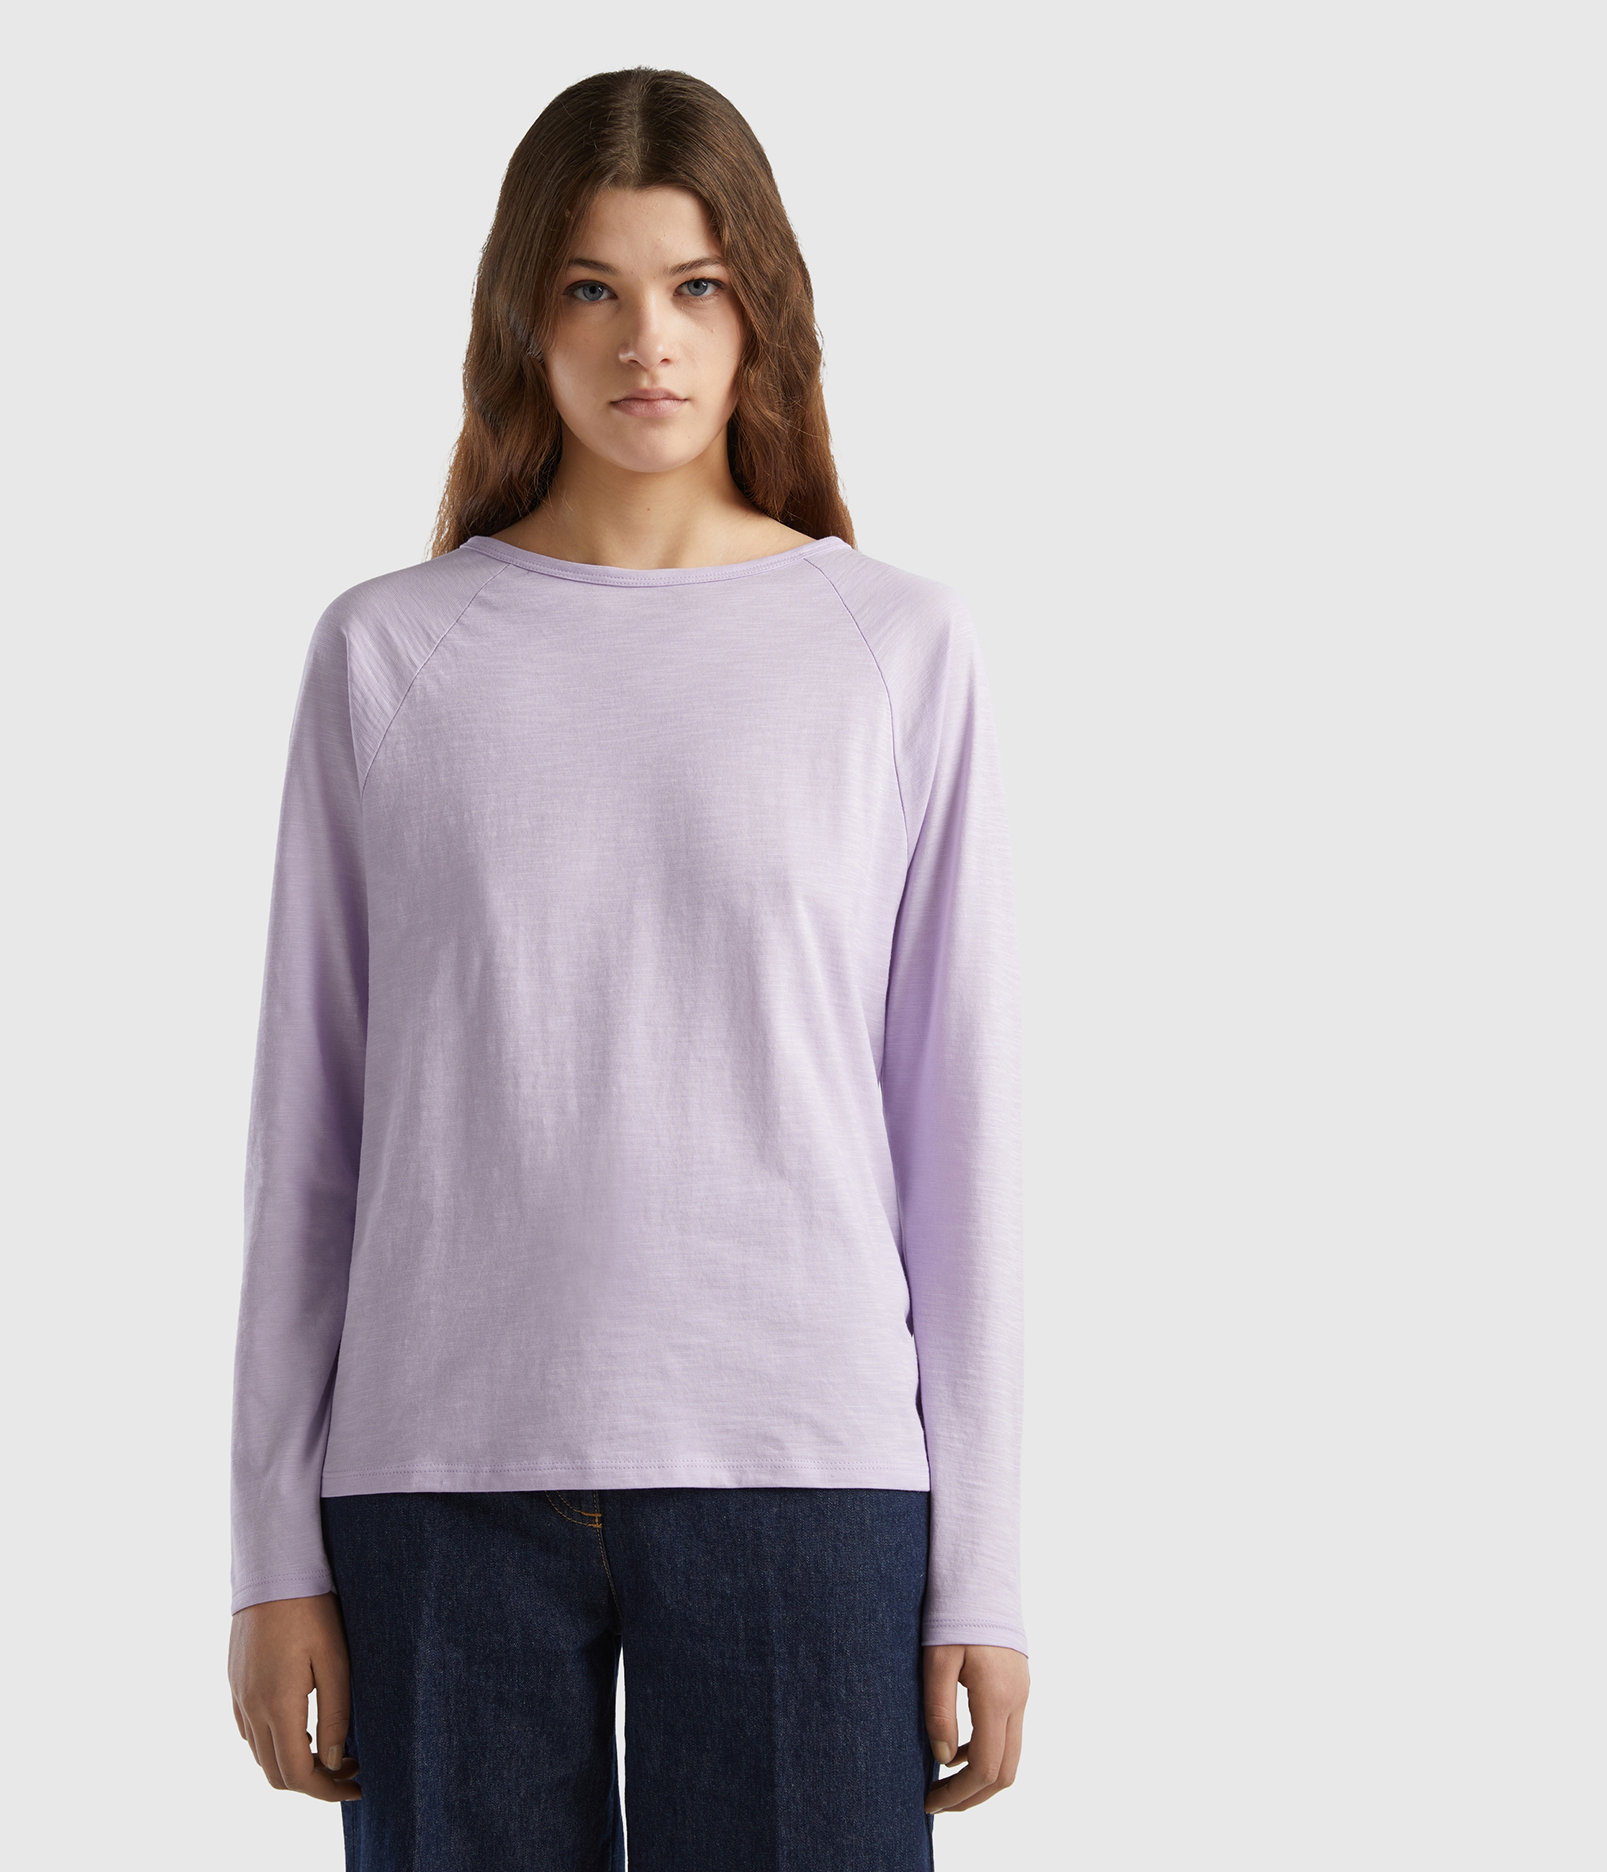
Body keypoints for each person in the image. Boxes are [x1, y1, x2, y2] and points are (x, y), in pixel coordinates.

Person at [226, 65, 1029, 1870]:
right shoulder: (390, 658)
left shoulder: (894, 648)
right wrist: (273, 1551)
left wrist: (985, 1566)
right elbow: (308, 1136)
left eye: (696, 286)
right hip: (437, 1482)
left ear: (763, 313)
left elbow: (957, 1136)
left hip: (806, 1469)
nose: (645, 341)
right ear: (525, 315)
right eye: (591, 287)